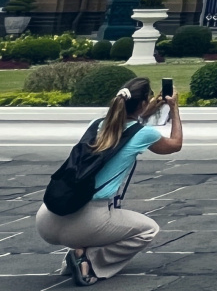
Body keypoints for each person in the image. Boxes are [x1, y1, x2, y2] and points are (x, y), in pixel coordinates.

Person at [36, 77, 182, 284]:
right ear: (141, 104)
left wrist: (148, 108)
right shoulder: (145, 134)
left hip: (47, 218)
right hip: (87, 221)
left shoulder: (96, 125)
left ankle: (78, 254)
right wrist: (174, 108)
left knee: (96, 225)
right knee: (149, 229)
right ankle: (88, 260)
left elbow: (126, 125)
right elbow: (175, 144)